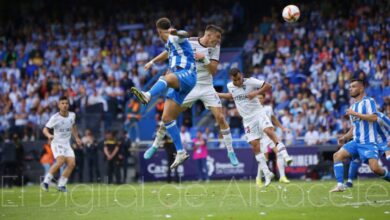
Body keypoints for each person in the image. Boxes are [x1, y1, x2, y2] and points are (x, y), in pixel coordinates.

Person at [143, 25, 239, 166]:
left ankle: (231, 151)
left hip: (206, 86)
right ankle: (155, 144)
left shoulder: (215, 48)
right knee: (168, 116)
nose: (219, 40)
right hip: (190, 85)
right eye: (217, 37)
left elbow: (213, 71)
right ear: (208, 35)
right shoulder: (189, 41)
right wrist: (152, 61)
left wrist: (204, 59)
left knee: (220, 117)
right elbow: (169, 51)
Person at [130, 17, 196, 168]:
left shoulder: (175, 37)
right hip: (180, 81)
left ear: (158, 31)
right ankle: (180, 152)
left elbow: (185, 35)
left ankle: (147, 95)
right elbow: (166, 52)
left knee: (165, 78)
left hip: (187, 75)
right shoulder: (170, 44)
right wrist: (152, 61)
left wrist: (176, 31)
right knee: (167, 118)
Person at [218, 68, 292, 187]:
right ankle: (267, 173)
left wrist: (256, 93)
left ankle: (285, 155)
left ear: (241, 75)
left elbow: (268, 85)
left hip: (258, 113)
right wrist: (218, 94)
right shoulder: (230, 86)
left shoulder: (251, 81)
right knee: (255, 146)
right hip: (247, 120)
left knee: (269, 131)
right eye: (234, 80)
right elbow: (231, 96)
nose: (237, 82)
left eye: (238, 79)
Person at [330, 79, 390, 192]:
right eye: (350, 87)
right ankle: (340, 185)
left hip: (368, 142)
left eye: (353, 86)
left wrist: (355, 114)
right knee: (337, 156)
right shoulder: (352, 106)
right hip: (356, 142)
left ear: (361, 88)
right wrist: (345, 137)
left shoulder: (368, 101)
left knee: (376, 169)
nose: (350, 89)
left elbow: (374, 117)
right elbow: (354, 127)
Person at [41, 96, 82, 192]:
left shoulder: (72, 115)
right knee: (61, 161)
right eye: (62, 103)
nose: (65, 105)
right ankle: (45, 182)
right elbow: (45, 129)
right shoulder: (55, 117)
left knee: (72, 164)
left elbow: (73, 126)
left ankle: (61, 185)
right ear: (59, 105)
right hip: (57, 143)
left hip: (66, 144)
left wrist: (76, 137)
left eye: (66, 103)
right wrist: (49, 135)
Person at [345, 111, 390, 188]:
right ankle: (349, 181)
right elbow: (354, 130)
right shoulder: (360, 118)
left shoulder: (379, 116)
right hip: (369, 143)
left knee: (388, 157)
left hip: (384, 141)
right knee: (355, 159)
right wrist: (345, 137)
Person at [256, 94, 291, 186]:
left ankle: (282, 177)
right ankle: (258, 178)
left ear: (263, 99)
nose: (259, 100)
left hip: (270, 134)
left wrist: (282, 127)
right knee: (264, 158)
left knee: (279, 153)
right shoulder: (253, 110)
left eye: (261, 98)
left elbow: (273, 118)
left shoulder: (268, 108)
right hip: (261, 136)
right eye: (258, 98)